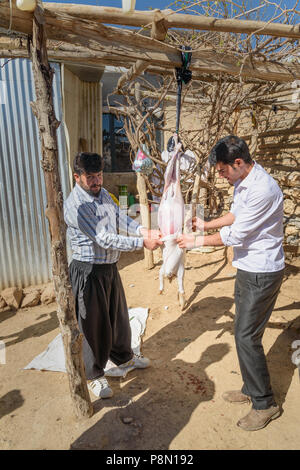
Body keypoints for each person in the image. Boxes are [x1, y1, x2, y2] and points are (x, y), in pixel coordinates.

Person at [177, 135, 285, 431]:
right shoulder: (243, 183)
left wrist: (195, 240)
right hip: (249, 268)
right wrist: (206, 224)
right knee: (243, 332)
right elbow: (236, 216)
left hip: (262, 271)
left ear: (238, 163)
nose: (222, 176)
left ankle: (265, 404)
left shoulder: (263, 189)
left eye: (223, 170)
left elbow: (236, 235)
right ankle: (251, 388)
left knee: (246, 336)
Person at [64, 152, 162, 399]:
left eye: (99, 175)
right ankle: (94, 375)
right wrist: (142, 243)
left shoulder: (104, 194)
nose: (96, 181)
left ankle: (124, 358)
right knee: (92, 325)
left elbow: (119, 218)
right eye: (90, 177)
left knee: (117, 316)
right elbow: (104, 238)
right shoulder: (76, 206)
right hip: (88, 271)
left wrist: (142, 229)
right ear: (77, 177)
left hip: (108, 268)